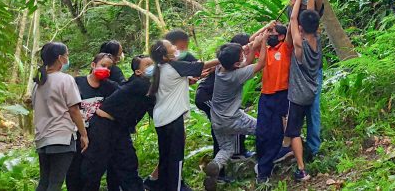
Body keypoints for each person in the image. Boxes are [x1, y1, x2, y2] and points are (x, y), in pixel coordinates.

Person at [203, 26, 269, 191]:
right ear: (235, 63)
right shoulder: (236, 75)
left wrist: (252, 46)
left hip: (217, 120)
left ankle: (215, 167)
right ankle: (266, 161)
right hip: (233, 118)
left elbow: (245, 63)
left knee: (227, 148)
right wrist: (263, 43)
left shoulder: (220, 69)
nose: (243, 55)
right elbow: (260, 64)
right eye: (241, 55)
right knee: (263, 129)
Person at [149, 39, 220, 191]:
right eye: (171, 46)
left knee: (166, 156)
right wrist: (225, 57)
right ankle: (176, 186)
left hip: (161, 118)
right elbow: (203, 65)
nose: (175, 48)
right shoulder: (174, 66)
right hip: (172, 118)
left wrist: (194, 79)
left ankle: (162, 185)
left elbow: (178, 82)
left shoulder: (160, 68)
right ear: (164, 56)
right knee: (176, 157)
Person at [82, 55, 156, 191]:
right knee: (97, 167)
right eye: (148, 65)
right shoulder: (141, 84)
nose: (153, 67)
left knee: (125, 163)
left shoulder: (137, 84)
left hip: (117, 127)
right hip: (103, 127)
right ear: (138, 72)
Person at [285, 0, 329, 159]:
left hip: (308, 69)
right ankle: (295, 145)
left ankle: (311, 147)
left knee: (313, 109)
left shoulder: (308, 16)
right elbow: (293, 22)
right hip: (298, 69)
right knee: (295, 109)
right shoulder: (294, 14)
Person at [32, 42, 88, 191]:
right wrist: (84, 134)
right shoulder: (65, 79)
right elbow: (74, 110)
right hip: (61, 137)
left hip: (42, 137)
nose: (67, 58)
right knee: (55, 182)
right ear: (60, 58)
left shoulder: (37, 83)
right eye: (67, 55)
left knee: (44, 182)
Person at [285, 0, 323, 182]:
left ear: (301, 27)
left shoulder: (300, 48)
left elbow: (293, 20)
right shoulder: (317, 40)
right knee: (307, 121)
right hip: (311, 91)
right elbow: (309, 14)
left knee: (294, 131)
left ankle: (301, 169)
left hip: (298, 96)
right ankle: (310, 151)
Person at [66, 53, 119, 191]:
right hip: (76, 134)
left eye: (109, 67)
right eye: (103, 65)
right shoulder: (77, 83)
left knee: (92, 174)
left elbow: (120, 109)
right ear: (93, 65)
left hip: (99, 138)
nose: (106, 69)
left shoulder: (111, 87)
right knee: (73, 172)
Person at [255, 23, 292, 183]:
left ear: (282, 36)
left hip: (281, 94)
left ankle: (264, 171)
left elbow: (292, 29)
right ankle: (264, 161)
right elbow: (251, 43)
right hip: (265, 95)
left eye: (273, 33)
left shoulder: (285, 47)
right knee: (261, 132)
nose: (270, 35)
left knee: (276, 133)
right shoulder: (265, 50)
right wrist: (266, 28)